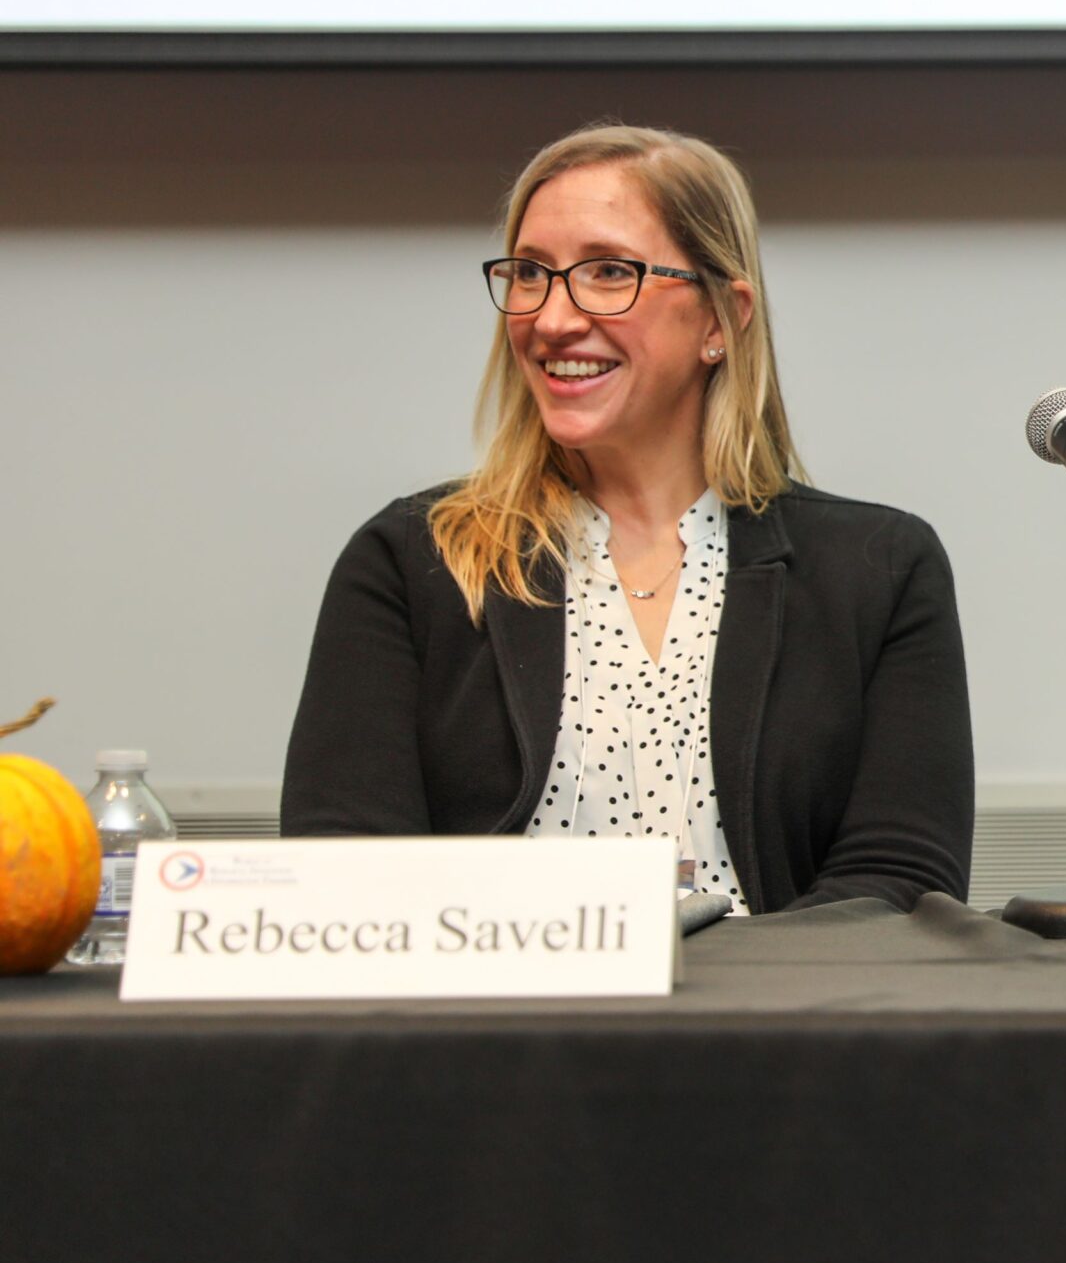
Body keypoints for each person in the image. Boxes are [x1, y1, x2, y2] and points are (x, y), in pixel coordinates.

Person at [283, 125, 973, 911]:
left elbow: (900, 884)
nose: (551, 319)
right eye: (531, 274)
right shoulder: (413, 563)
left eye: (609, 272)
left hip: (779, 1025)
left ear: (721, 318)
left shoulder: (879, 569)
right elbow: (343, 874)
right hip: (488, 1023)